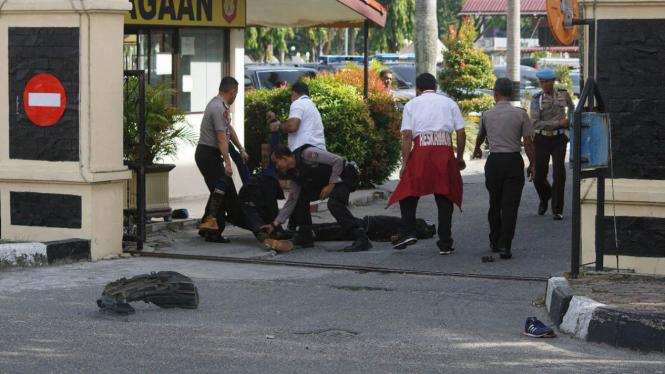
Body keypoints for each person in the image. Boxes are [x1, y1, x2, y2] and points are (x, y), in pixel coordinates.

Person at [386, 73, 466, 255]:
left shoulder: (411, 105)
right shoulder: (449, 103)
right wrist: (459, 157)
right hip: (444, 151)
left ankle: (408, 232)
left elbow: (407, 135)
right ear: (436, 88)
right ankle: (445, 243)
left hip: (422, 150)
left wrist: (404, 164)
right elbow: (461, 132)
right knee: (444, 196)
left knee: (408, 193)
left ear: (417, 90)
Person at [260, 144, 372, 252]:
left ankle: (361, 237)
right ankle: (306, 235)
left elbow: (338, 161)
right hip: (327, 182)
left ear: (284, 158)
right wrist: (275, 223)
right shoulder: (294, 173)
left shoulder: (307, 154)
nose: (276, 166)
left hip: (345, 176)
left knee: (334, 204)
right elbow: (292, 200)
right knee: (300, 198)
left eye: (276, 162)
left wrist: (331, 184)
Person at [473, 78, 537, 259]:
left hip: (494, 162)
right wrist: (533, 164)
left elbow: (480, 136)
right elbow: (528, 142)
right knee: (510, 206)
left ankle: (494, 241)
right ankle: (505, 247)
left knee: (495, 203)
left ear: (495, 93)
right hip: (513, 161)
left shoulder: (486, 114)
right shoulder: (521, 114)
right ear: (512, 94)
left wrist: (477, 149)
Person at [195, 77, 246, 243]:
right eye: (236, 93)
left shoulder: (220, 106)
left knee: (218, 191)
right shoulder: (218, 108)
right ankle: (214, 232)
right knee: (222, 192)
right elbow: (222, 138)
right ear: (231, 91)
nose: (235, 97)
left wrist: (241, 149)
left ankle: (206, 224)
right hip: (207, 155)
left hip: (210, 154)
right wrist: (227, 163)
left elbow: (228, 129)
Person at [530, 68, 575, 221]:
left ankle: (557, 209)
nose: (544, 85)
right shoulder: (536, 99)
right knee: (538, 175)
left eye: (546, 82)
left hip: (559, 139)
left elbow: (572, 108)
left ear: (553, 80)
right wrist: (558, 123)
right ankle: (545, 196)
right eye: (541, 82)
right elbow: (535, 123)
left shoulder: (562, 94)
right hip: (542, 139)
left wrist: (570, 120)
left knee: (559, 173)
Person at [266, 81, 326, 152]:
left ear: (293, 94)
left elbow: (292, 127)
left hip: (305, 152)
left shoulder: (298, 103)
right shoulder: (313, 107)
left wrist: (277, 126)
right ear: (308, 95)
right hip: (320, 151)